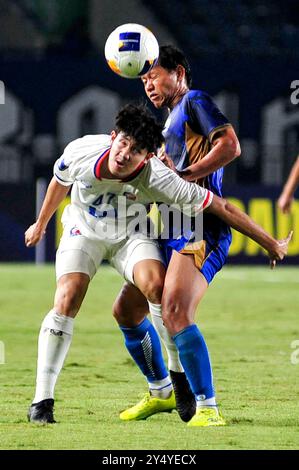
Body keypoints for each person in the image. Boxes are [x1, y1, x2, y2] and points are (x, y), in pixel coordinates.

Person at [25, 103, 290, 426]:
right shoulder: (82, 150)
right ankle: (42, 400)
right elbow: (59, 182)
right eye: (122, 143)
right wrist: (40, 224)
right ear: (113, 137)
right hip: (84, 230)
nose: (124, 154)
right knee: (68, 297)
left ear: (148, 156)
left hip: (131, 235)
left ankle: (176, 381)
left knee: (156, 287)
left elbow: (220, 206)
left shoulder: (159, 178)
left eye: (136, 150)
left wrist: (270, 243)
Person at [112, 45, 284, 427]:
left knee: (174, 311)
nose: (148, 84)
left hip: (201, 226)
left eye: (153, 74)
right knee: (127, 310)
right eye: (143, 79)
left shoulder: (194, 101)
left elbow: (230, 145)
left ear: (178, 72)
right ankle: (162, 391)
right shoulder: (167, 122)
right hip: (170, 227)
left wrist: (186, 174)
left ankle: (208, 408)